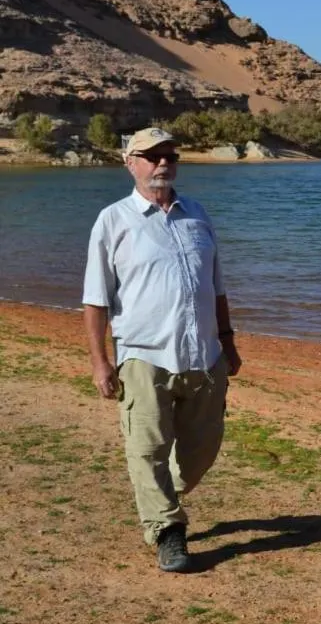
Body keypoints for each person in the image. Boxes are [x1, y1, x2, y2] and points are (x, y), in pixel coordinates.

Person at [82, 126, 241, 573]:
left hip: (204, 357)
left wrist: (228, 342)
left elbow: (218, 287)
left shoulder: (198, 215)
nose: (162, 163)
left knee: (201, 452)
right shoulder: (112, 221)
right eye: (151, 156)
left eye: (169, 154)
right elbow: (96, 300)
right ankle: (167, 530)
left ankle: (159, 497)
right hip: (143, 357)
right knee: (147, 450)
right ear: (129, 163)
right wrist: (101, 362)